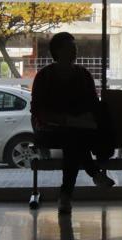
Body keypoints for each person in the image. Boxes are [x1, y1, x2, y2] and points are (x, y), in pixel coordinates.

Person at [30, 32, 115, 214]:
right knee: (74, 139)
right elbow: (38, 111)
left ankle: (66, 196)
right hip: (49, 130)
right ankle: (93, 175)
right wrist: (65, 120)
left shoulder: (82, 75)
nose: (75, 51)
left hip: (76, 129)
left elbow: (93, 103)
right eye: (70, 48)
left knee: (73, 140)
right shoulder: (45, 76)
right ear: (58, 51)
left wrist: (83, 118)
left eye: (74, 48)